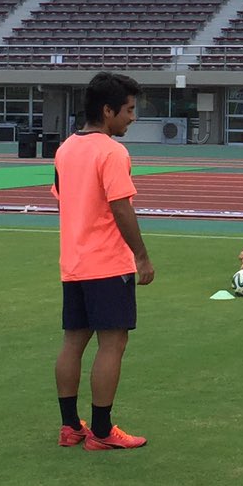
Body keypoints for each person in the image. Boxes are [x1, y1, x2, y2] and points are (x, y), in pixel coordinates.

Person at [52, 70, 153, 452]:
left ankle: (69, 427)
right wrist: (142, 257)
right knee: (113, 344)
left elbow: (63, 197)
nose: (133, 117)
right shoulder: (112, 151)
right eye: (128, 110)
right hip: (107, 264)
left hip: (73, 262)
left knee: (73, 343)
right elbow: (121, 207)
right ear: (107, 111)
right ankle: (101, 430)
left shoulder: (65, 148)